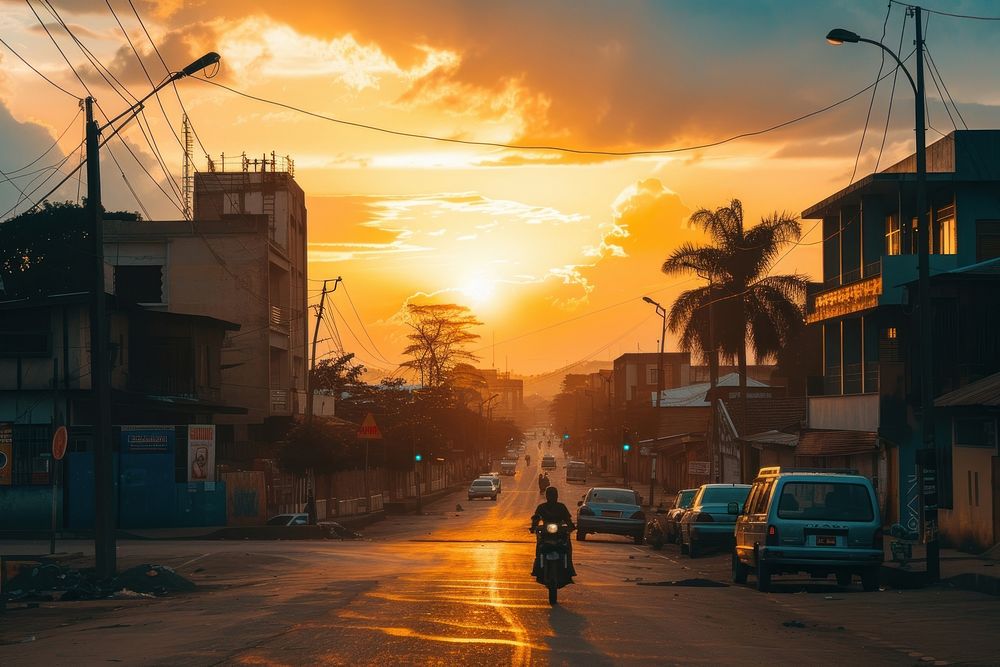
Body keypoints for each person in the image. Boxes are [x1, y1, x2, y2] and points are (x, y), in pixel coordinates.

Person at [530, 486, 577, 581]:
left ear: (557, 496)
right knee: (539, 545)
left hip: (559, 532)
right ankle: (538, 567)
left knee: (567, 545)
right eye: (550, 495)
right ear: (547, 496)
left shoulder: (561, 507)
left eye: (554, 495)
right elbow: (536, 517)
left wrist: (570, 526)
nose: (552, 497)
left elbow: (568, 519)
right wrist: (534, 526)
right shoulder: (542, 507)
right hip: (546, 532)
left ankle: (568, 568)